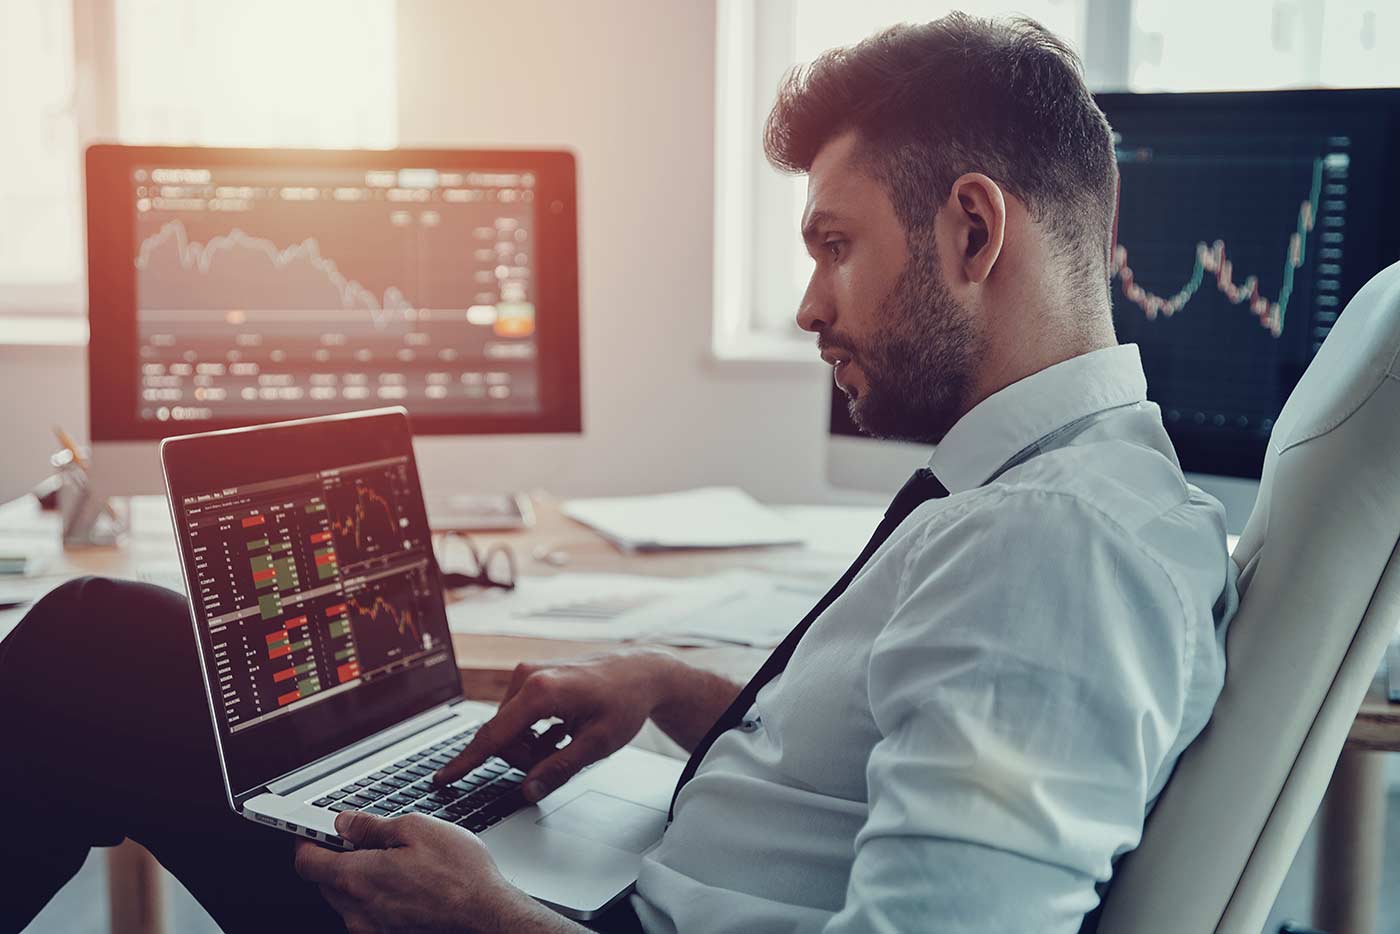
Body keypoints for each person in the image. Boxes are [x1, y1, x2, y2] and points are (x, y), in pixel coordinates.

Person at [0, 13, 1237, 934]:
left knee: (84, 657)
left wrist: (487, 917)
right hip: (621, 880)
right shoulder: (1052, 489)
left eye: (834, 245)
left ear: (972, 231)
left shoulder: (1051, 551)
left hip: (575, 923)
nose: (809, 305)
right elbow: (867, 753)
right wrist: (671, 687)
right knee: (128, 643)